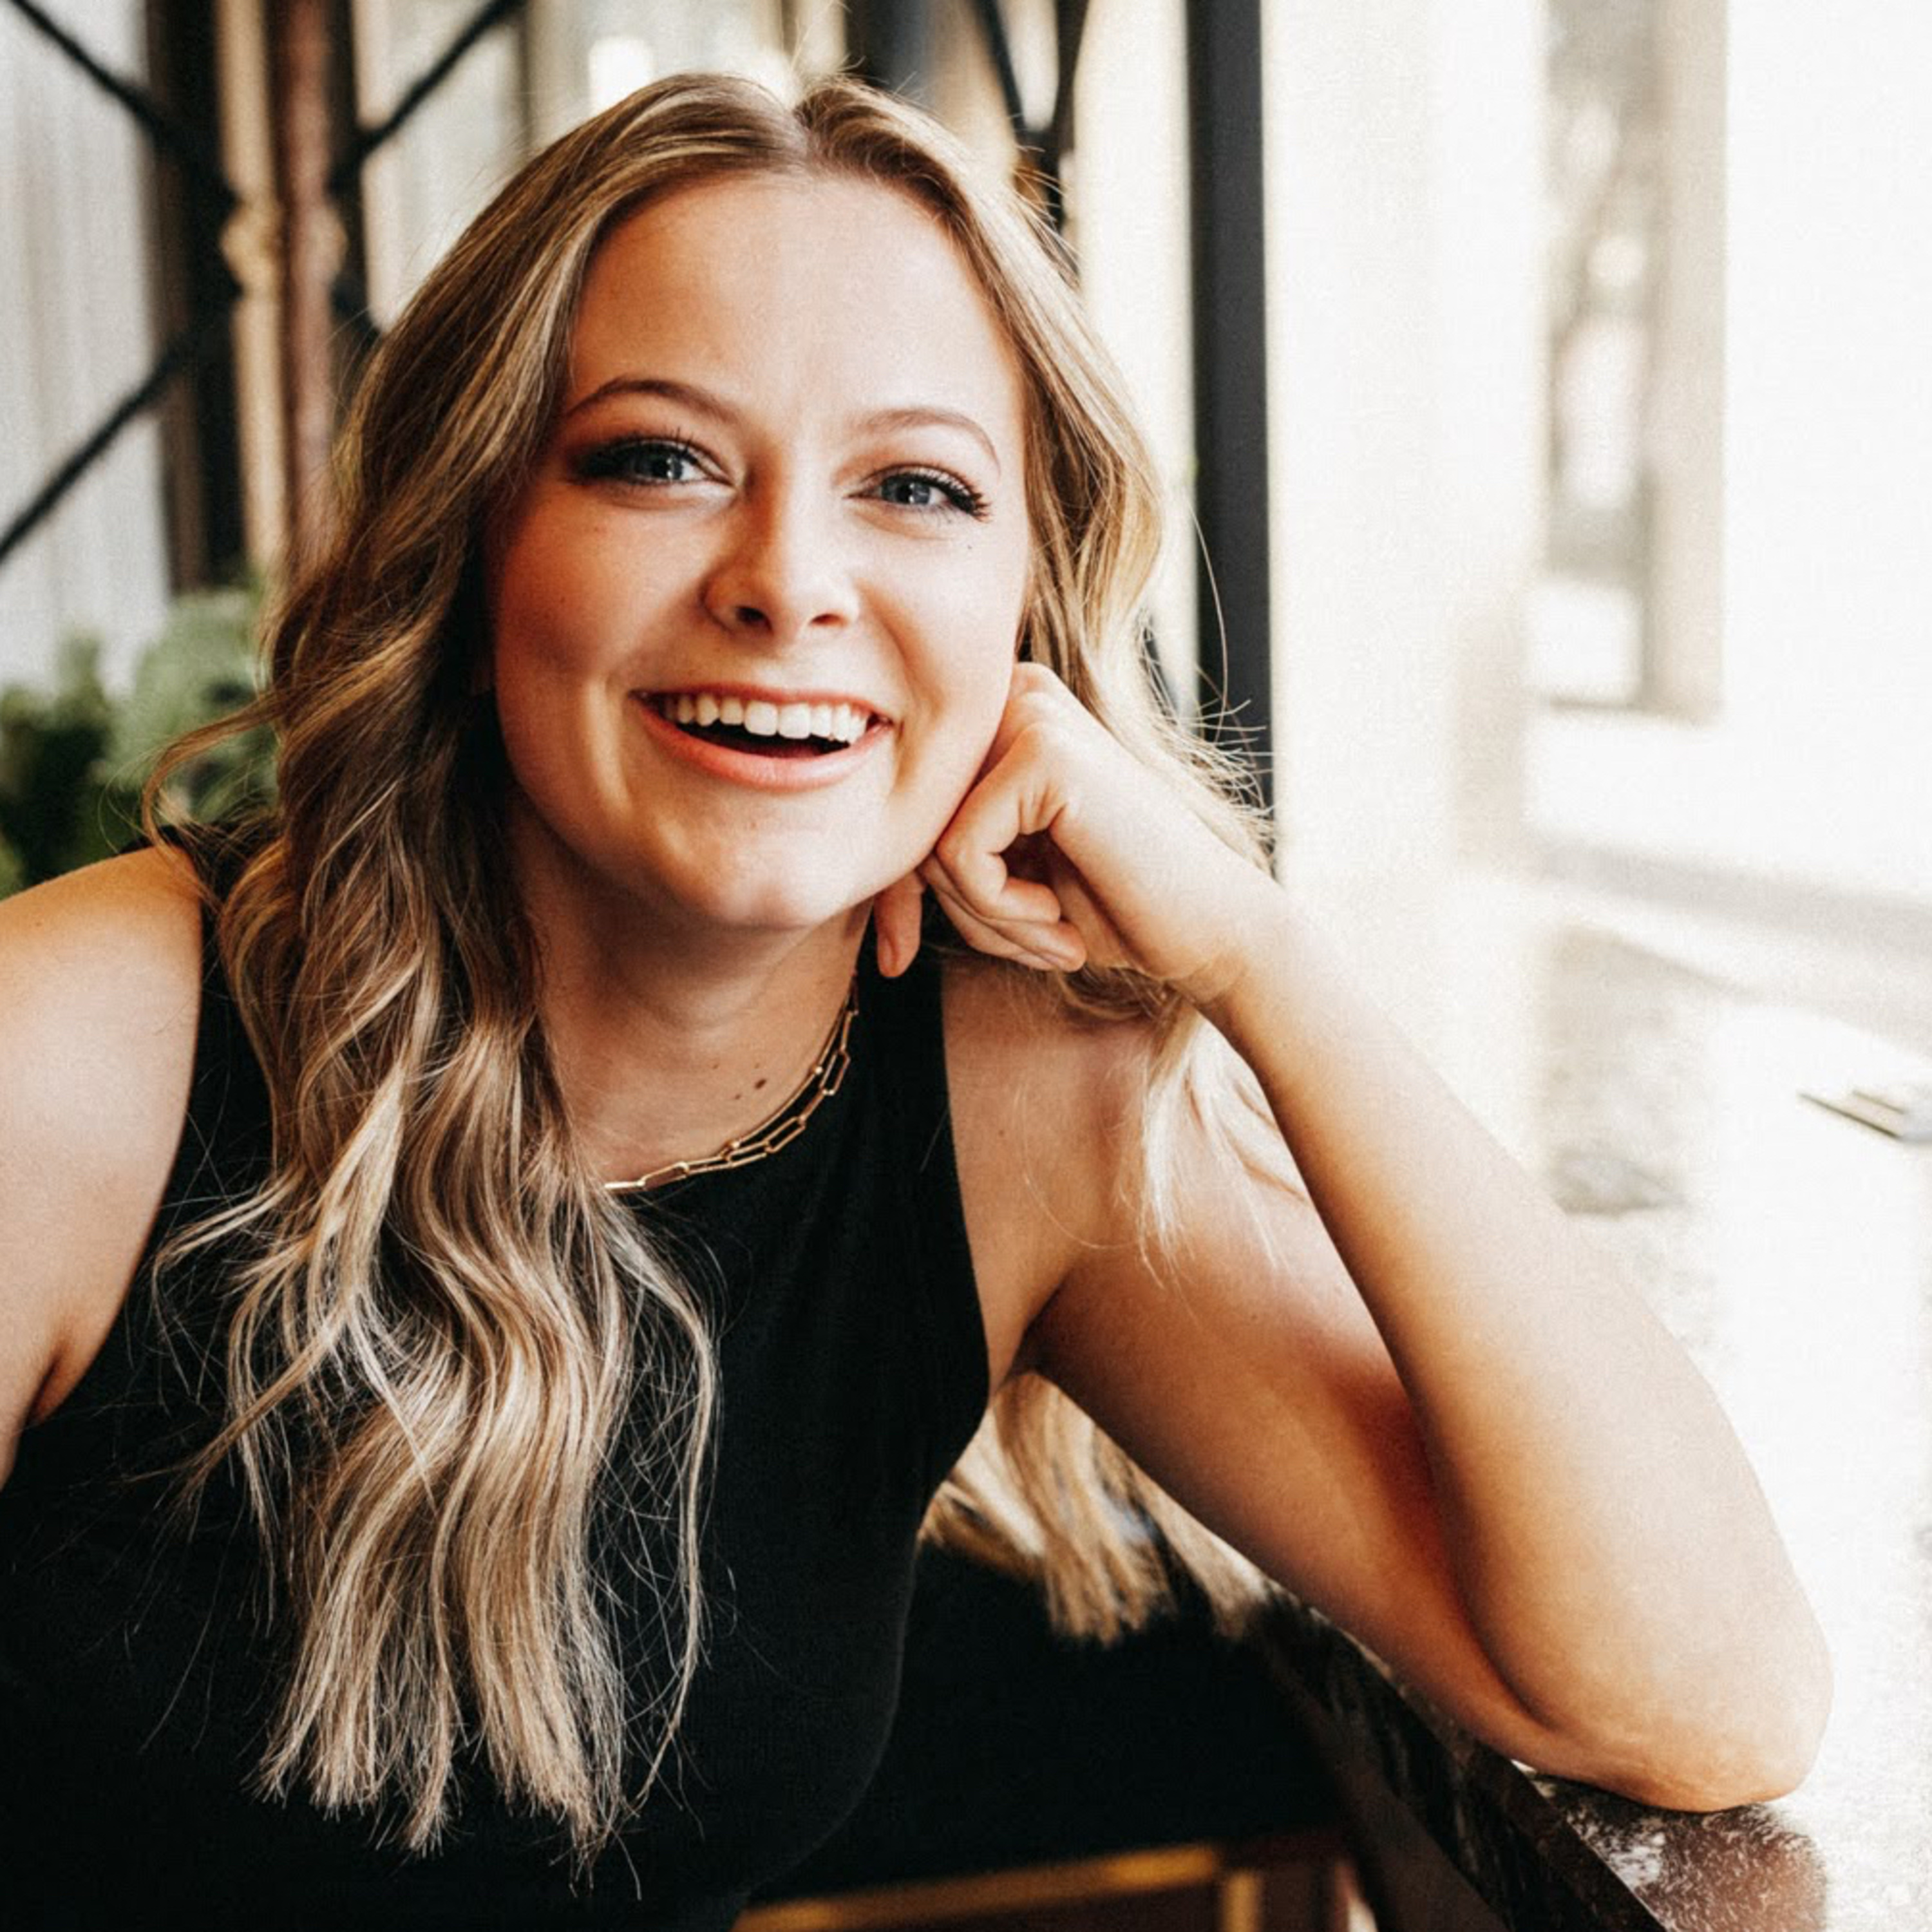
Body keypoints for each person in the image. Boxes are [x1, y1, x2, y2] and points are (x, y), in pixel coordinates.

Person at [0, 71, 1826, 1929]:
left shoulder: (1010, 1100)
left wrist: (1257, 960)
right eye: (658, 461)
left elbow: (1699, 1697)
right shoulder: (73, 1062)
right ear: (472, 544)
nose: (790, 582)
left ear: (1020, 609)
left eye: (917, 489)